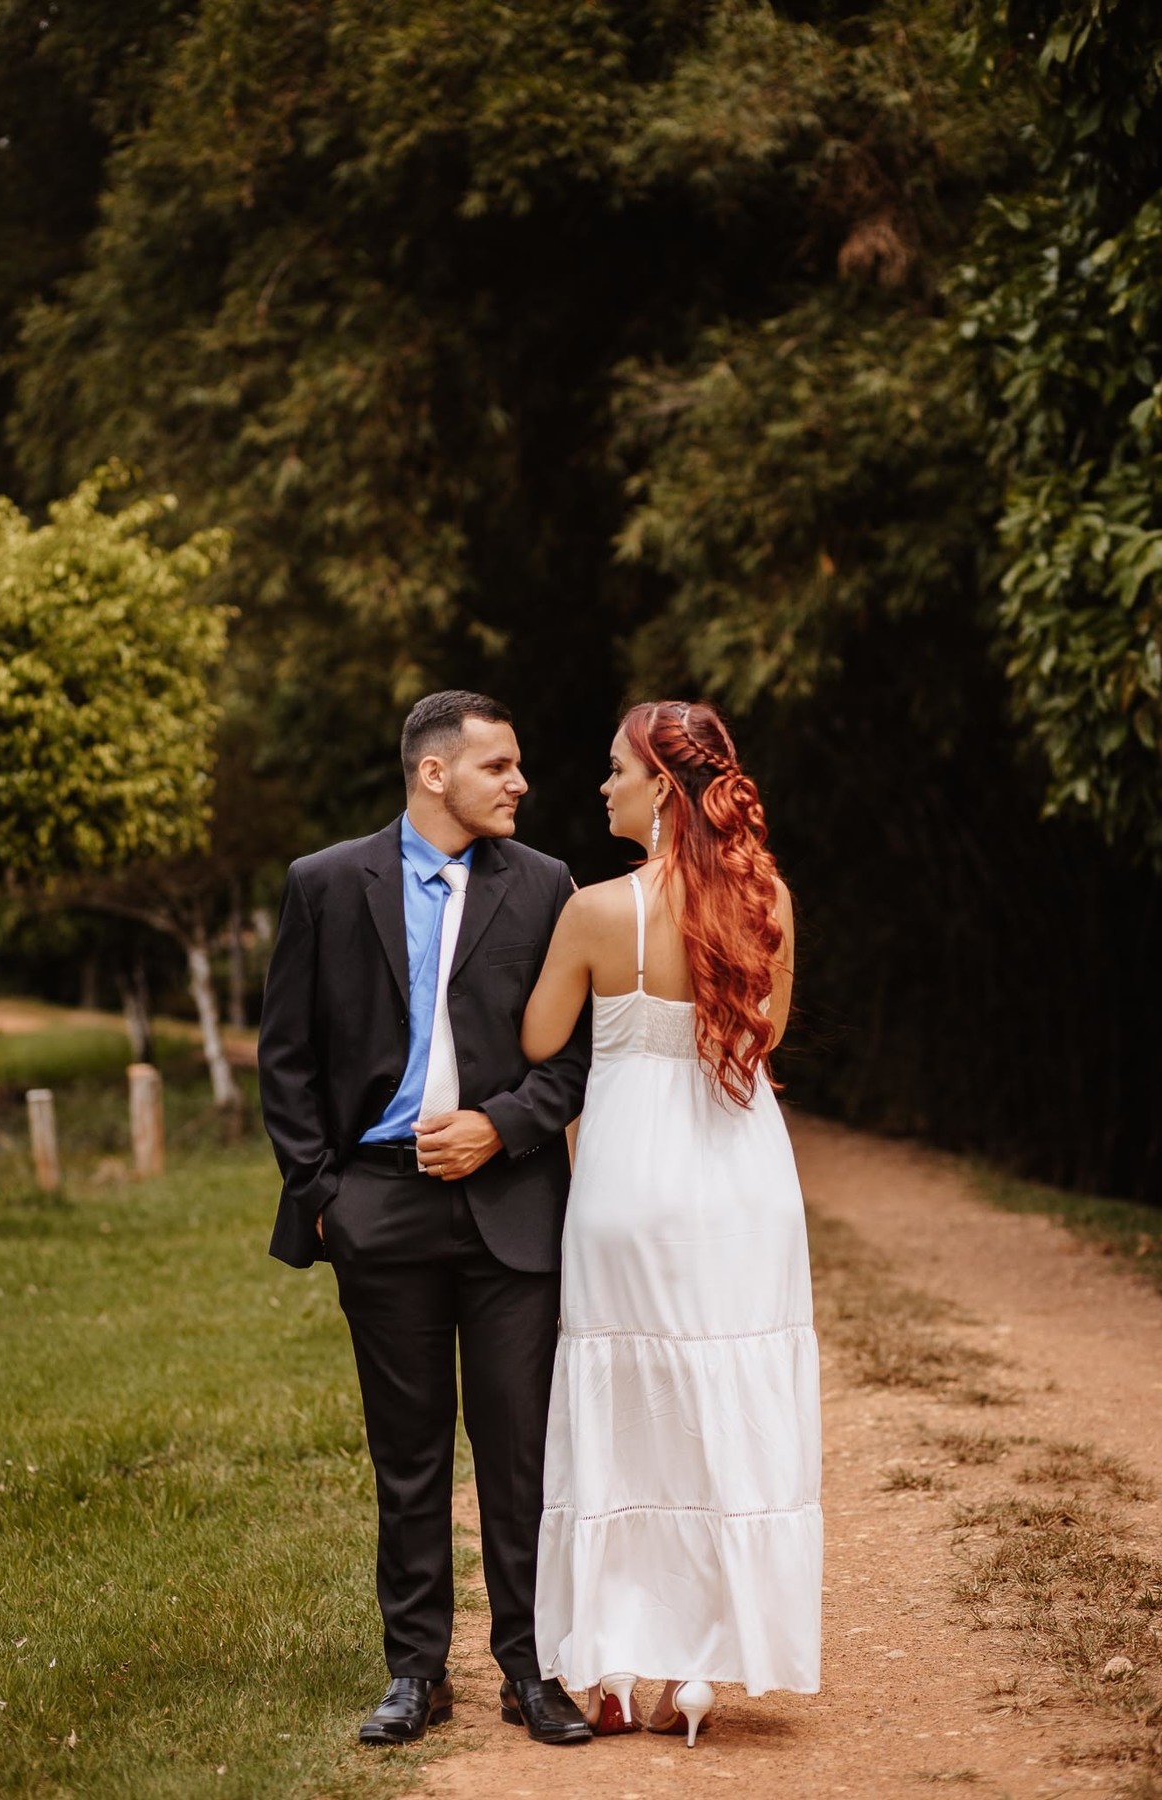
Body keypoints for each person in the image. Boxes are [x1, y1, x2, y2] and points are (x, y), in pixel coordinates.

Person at [258, 691, 593, 1748]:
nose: (521, 784)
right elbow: (287, 1056)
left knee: (518, 1452)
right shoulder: (324, 884)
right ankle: (415, 1673)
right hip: (379, 1205)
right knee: (405, 1458)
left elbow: (577, 1056)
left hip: (510, 1207)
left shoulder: (548, 889)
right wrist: (325, 1196)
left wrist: (501, 1127)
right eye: (500, 765)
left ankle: (531, 1671)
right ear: (434, 774)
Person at [522, 699, 822, 1745]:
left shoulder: (599, 913)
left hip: (627, 1181)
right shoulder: (765, 898)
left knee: (622, 1409)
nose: (601, 786)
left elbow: (538, 1034)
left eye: (615, 769)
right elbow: (767, 1029)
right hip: (741, 1176)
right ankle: (699, 1666)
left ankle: (608, 1663)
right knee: (720, 1399)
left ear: (661, 786)